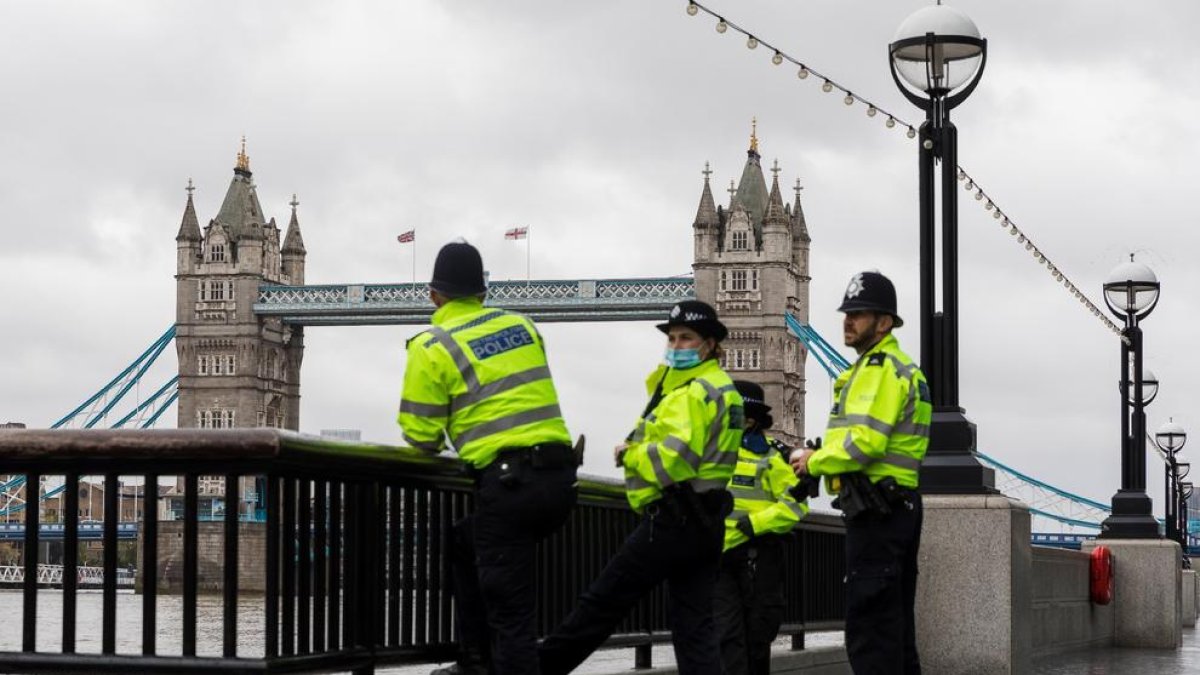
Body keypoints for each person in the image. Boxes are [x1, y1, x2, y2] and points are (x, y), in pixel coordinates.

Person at [398, 240, 578, 675]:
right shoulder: (524, 325)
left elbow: (420, 434)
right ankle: (474, 660)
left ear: (433, 295)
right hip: (560, 481)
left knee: (511, 619)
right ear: (483, 292)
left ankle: (485, 661)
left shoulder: (432, 345)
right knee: (464, 540)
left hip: (510, 486)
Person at [538, 300, 743, 675]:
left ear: (710, 344)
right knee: (694, 629)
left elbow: (675, 459)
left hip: (673, 518)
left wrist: (630, 454)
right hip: (708, 523)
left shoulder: (693, 392)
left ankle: (536, 669)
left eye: (687, 339)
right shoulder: (723, 389)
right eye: (673, 338)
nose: (676, 346)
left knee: (600, 604)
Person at [789, 271, 930, 675]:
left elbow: (866, 442)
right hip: (895, 506)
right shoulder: (898, 368)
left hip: (878, 512)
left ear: (883, 323)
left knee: (870, 633)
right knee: (895, 632)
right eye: (847, 313)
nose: (848, 322)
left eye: (859, 314)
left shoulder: (879, 369)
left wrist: (813, 461)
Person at [716, 380, 809, 675]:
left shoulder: (773, 457)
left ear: (750, 419)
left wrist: (755, 524)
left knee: (756, 640)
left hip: (757, 558)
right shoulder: (710, 453)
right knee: (725, 638)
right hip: (716, 559)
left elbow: (796, 505)